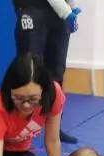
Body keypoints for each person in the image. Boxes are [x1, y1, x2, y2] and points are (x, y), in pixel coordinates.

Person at [13, 0, 81, 144]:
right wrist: (68, 12)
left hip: (58, 14)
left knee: (57, 71)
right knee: (29, 70)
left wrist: (73, 8)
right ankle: (16, 127)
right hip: (33, 10)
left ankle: (54, 128)